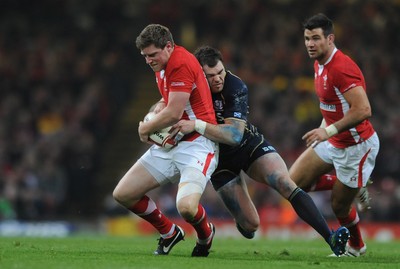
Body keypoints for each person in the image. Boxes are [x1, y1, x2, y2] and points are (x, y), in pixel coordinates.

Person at [174, 45, 350, 256]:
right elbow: (166, 106)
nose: (218, 79)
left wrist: (196, 125)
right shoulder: (188, 90)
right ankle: (241, 220)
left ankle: (331, 238)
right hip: (218, 162)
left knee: (284, 182)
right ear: (199, 75)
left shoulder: (235, 85)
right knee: (250, 227)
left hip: (247, 146)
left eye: (220, 72)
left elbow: (234, 136)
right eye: (211, 76)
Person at [113, 24, 219, 257]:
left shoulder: (180, 62)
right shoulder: (161, 64)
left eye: (153, 55)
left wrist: (146, 127)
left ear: (169, 46)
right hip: (171, 142)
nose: (149, 60)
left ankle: (205, 234)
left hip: (197, 143)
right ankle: (169, 232)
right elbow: (169, 102)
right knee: (123, 194)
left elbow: (173, 113)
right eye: (145, 56)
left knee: (186, 208)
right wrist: (159, 106)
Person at [289, 13, 380, 257]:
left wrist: (326, 131)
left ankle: (357, 246)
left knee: (339, 205)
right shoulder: (318, 63)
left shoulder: (342, 67)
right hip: (334, 140)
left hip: (356, 145)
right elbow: (333, 105)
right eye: (307, 38)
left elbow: (364, 110)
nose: (310, 43)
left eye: (316, 38)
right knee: (292, 183)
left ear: (330, 39)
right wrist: (326, 132)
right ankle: (353, 184)